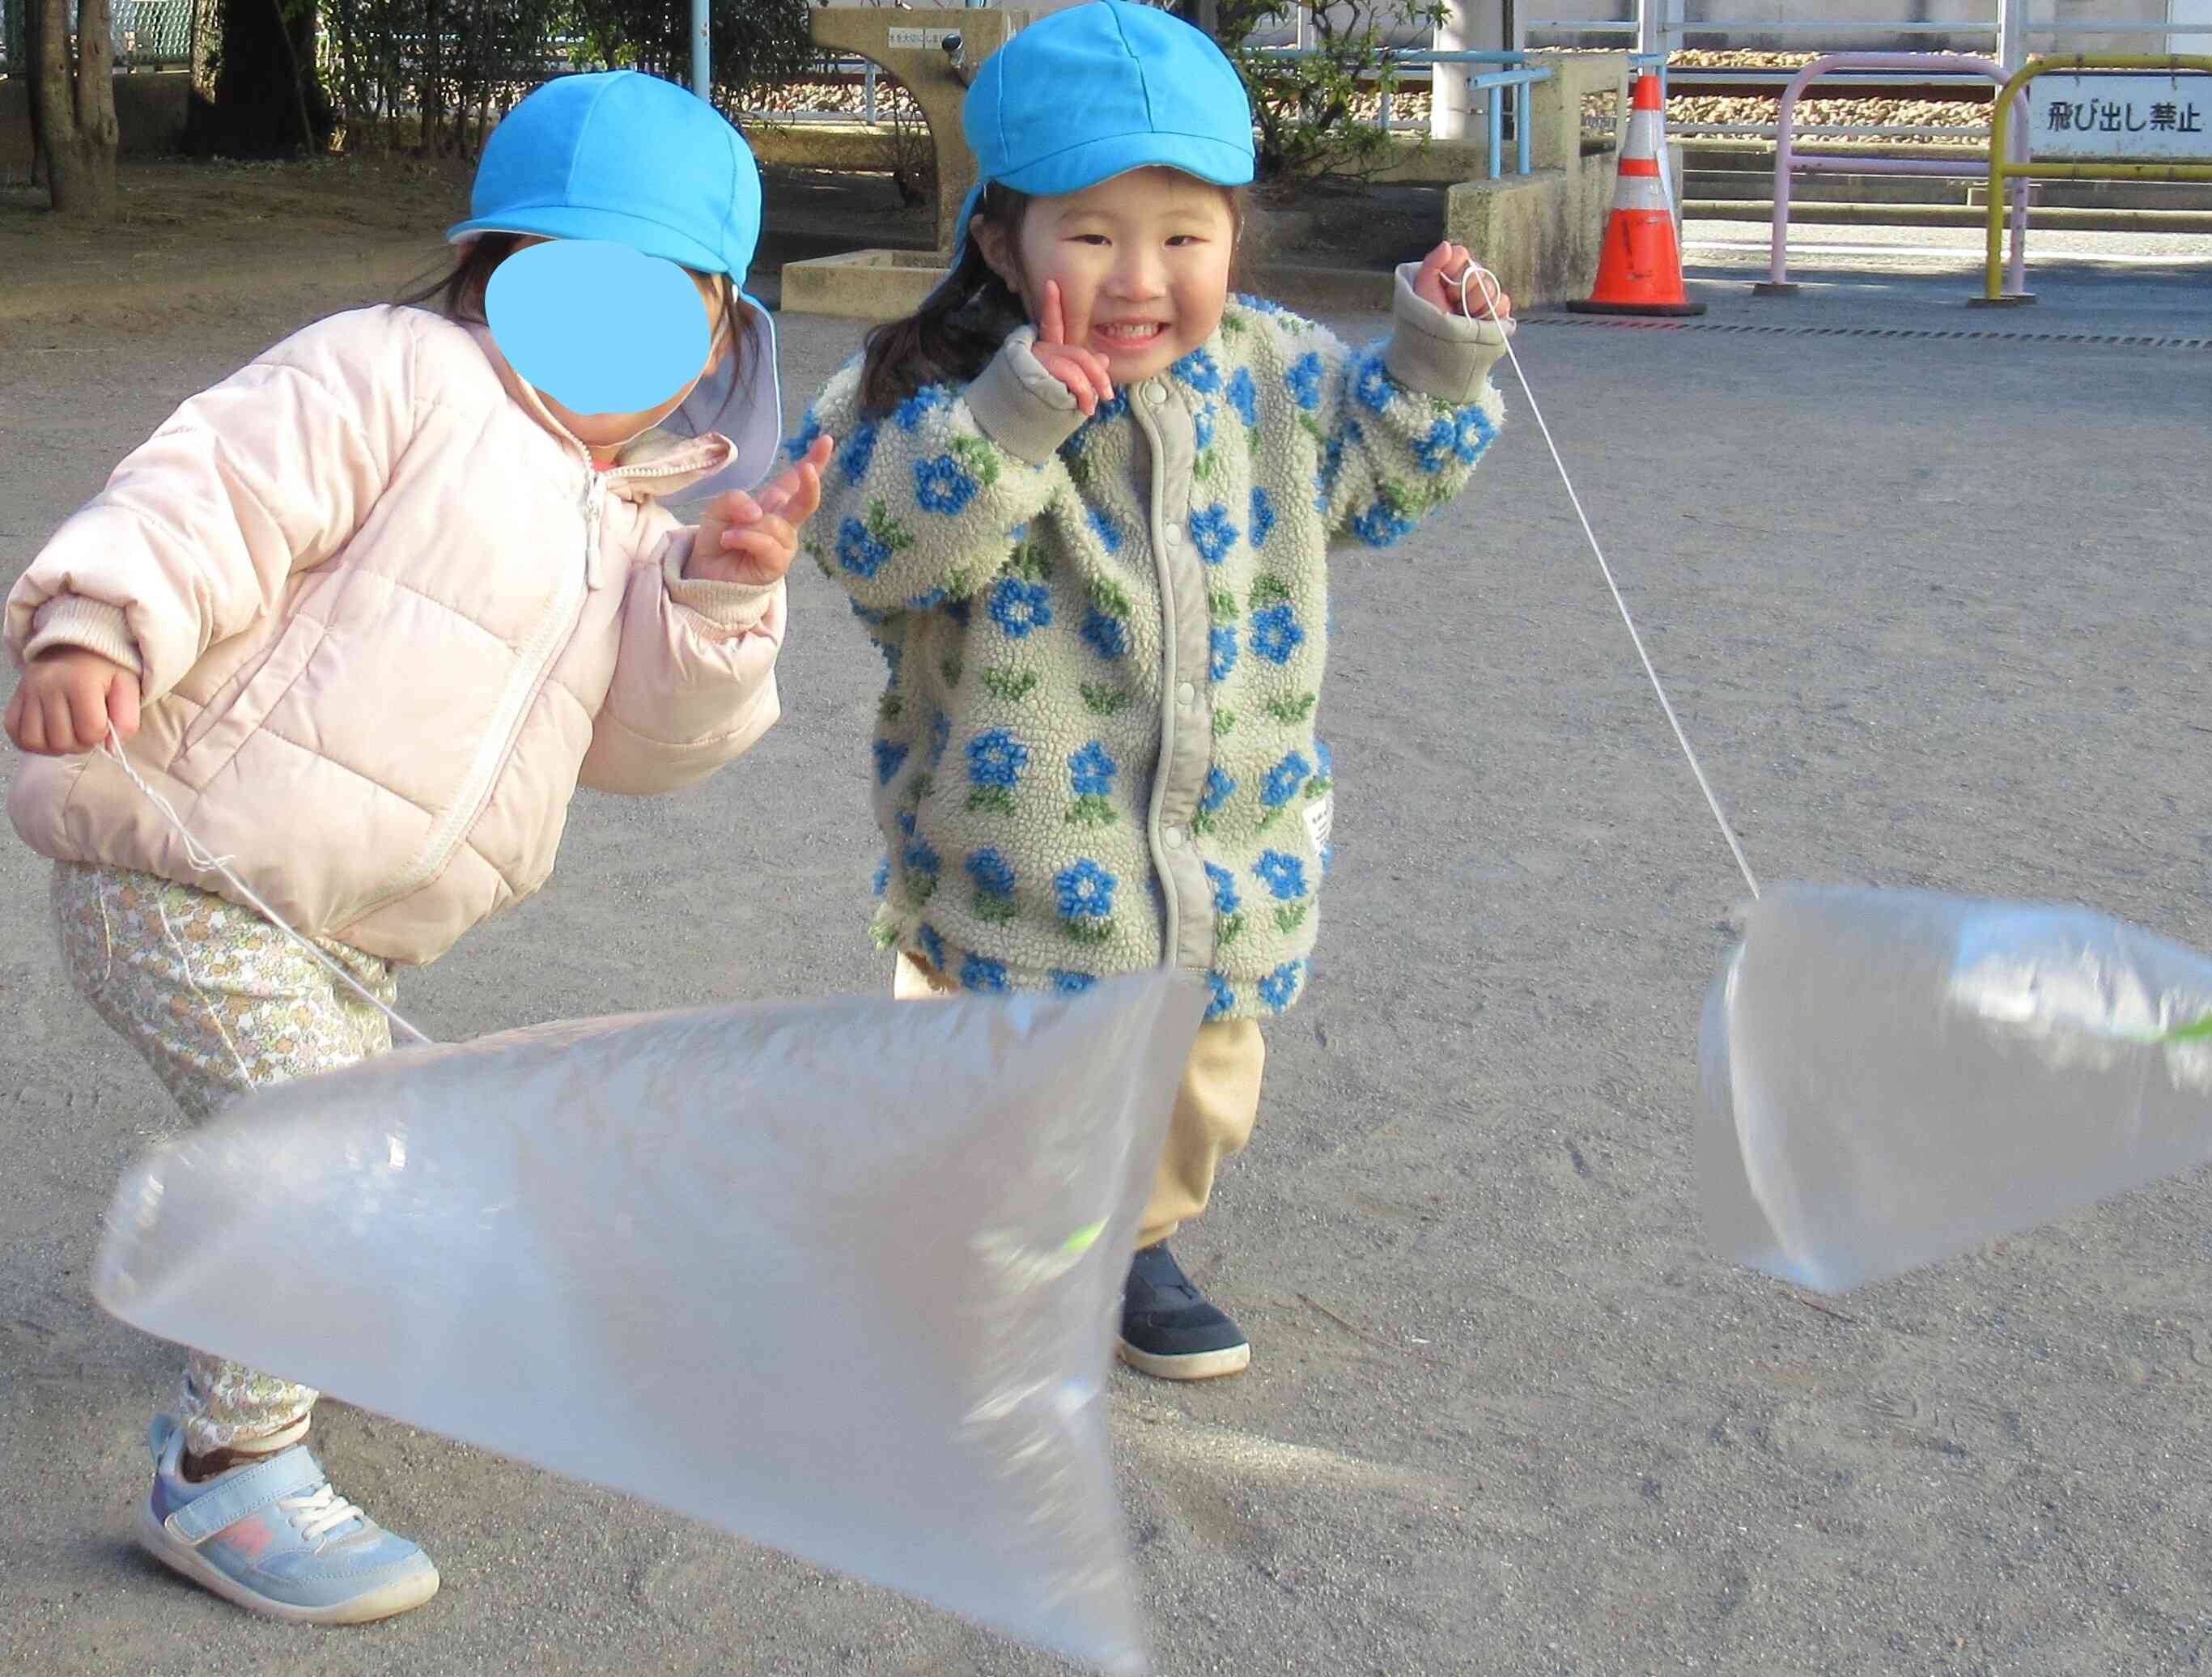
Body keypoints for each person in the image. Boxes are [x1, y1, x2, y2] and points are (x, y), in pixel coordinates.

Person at [2, 69, 831, 1624]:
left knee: (349, 1159)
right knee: (323, 1157)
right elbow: (209, 491)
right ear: (484, 275)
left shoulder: (638, 516)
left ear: (715, 339)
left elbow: (648, 750)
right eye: (560, 281)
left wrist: (718, 601)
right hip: (183, 872)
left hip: (357, 931)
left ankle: (236, 1279)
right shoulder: (388, 375)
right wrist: (94, 623)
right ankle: (225, 1473)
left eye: (664, 306)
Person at [792, 0, 1513, 1381]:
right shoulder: (933, 384)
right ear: (1002, 242)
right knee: (1008, 1081)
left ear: (1234, 237)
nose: (1141, 277)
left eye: (1184, 236)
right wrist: (1013, 420)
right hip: (1018, 841)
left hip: (1225, 839)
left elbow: (1385, 486)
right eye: (1092, 234)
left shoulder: (1283, 373)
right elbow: (875, 552)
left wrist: (1433, 363)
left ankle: (1128, 1237)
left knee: (1199, 1076)